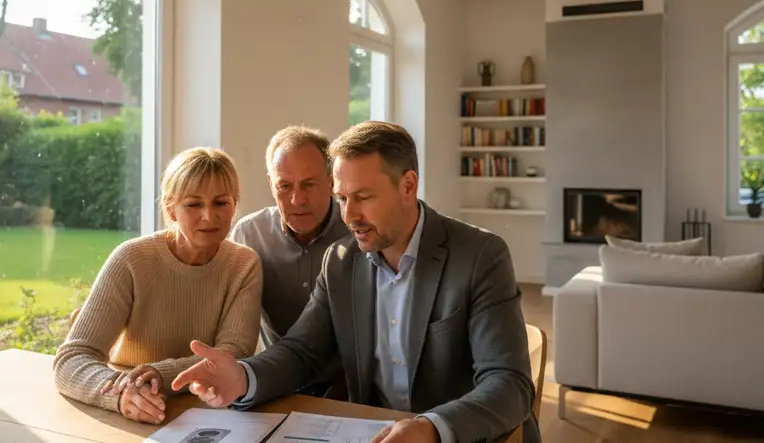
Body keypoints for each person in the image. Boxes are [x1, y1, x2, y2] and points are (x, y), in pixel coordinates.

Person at [172, 122, 541, 443]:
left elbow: (510, 384)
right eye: (342, 198)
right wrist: (243, 376)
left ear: (408, 185)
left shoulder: (480, 256)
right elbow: (301, 351)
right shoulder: (341, 260)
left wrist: (431, 427)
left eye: (363, 197)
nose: (349, 216)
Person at [52, 147, 263, 425]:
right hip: (127, 413)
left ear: (234, 205)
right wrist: (122, 392)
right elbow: (72, 358)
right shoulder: (131, 259)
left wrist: (159, 374)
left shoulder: (244, 264)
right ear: (170, 209)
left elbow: (234, 354)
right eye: (193, 204)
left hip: (205, 413)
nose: (209, 216)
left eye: (221, 203)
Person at [229, 125, 349, 397]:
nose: (297, 199)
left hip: (348, 387)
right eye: (284, 186)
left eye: (309, 184)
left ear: (331, 181)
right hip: (277, 384)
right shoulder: (250, 234)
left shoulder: (357, 232)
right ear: (271, 183)